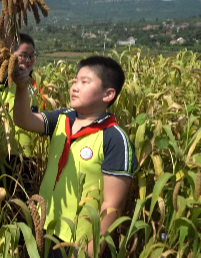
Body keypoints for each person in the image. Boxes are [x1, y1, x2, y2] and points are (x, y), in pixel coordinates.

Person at [12, 55, 138, 257]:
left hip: (79, 243)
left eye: (84, 82)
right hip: (44, 231)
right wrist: (20, 87)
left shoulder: (115, 139)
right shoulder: (62, 118)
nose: (75, 87)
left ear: (108, 94)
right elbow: (23, 120)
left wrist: (90, 250)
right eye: (75, 81)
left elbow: (112, 205)